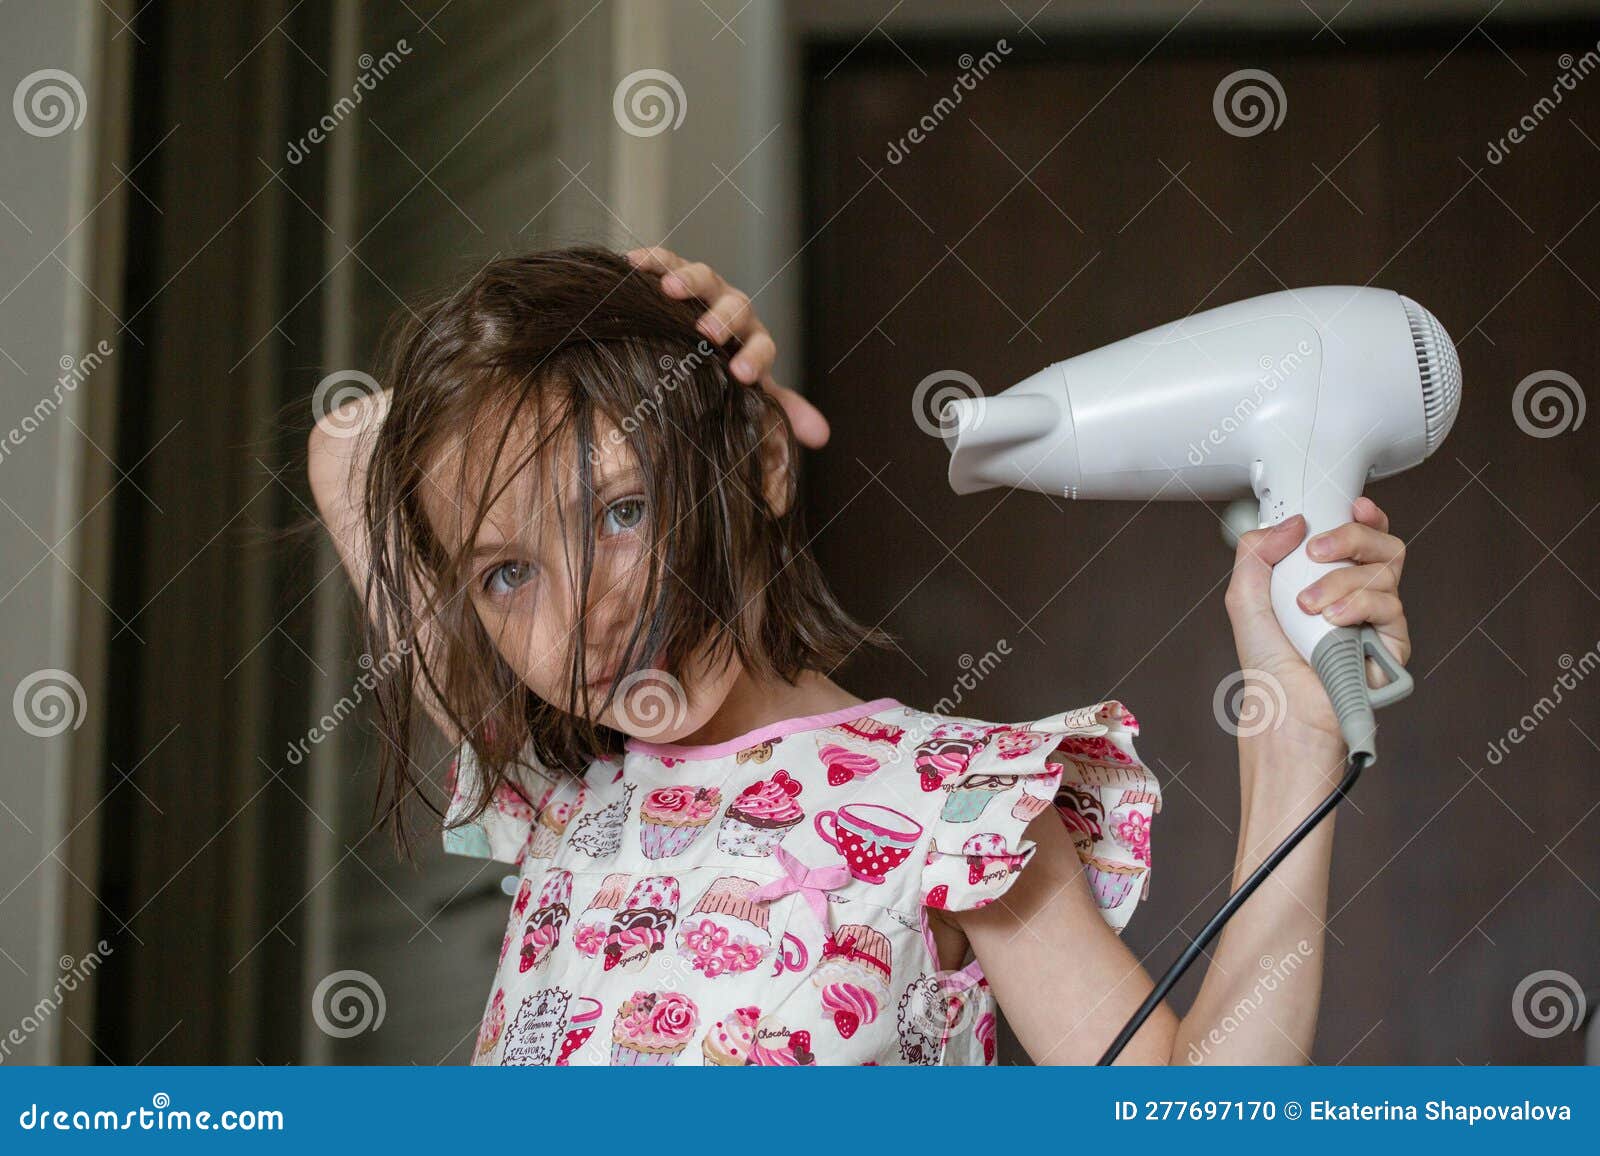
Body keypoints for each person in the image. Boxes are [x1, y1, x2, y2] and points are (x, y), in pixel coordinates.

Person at [307, 244, 1412, 1065]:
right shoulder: (560, 787)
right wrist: (634, 334)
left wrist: (1295, 741)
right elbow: (349, 444)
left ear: (763, 466)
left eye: (622, 510)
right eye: (508, 573)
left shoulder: (951, 804)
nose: (580, 617)